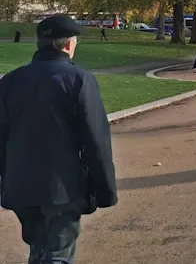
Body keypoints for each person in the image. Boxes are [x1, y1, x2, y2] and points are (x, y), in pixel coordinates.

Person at [0, 14, 117, 262]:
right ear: (69, 44)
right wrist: (105, 191)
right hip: (63, 187)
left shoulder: (10, 81)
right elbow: (96, 140)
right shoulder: (79, 80)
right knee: (57, 253)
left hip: (20, 184)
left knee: (39, 250)